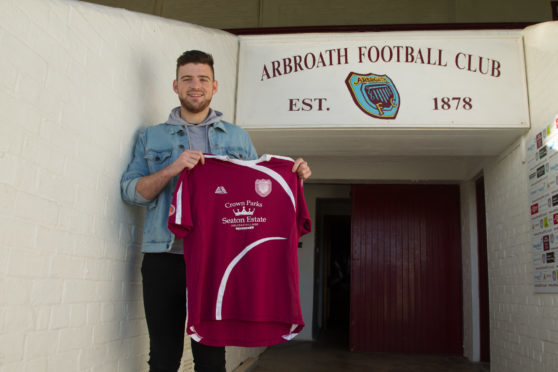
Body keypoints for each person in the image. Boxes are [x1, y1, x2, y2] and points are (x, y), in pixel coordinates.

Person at [120, 50, 311, 372]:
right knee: (163, 355)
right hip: (165, 254)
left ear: (214, 86)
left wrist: (292, 177)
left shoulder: (237, 137)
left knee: (210, 357)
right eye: (188, 79)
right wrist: (173, 168)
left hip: (216, 259)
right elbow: (131, 193)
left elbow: (256, 190)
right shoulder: (150, 136)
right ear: (176, 86)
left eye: (202, 79)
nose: (195, 86)